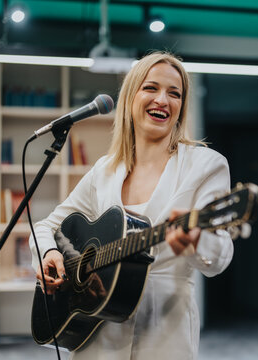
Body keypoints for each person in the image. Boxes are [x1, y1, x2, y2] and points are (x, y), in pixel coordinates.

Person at [29, 51, 234, 359]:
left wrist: (195, 242)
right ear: (130, 97)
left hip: (165, 335)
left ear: (181, 107)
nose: (162, 100)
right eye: (151, 88)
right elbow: (47, 226)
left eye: (174, 93)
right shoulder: (105, 169)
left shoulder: (205, 166)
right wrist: (50, 253)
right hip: (95, 335)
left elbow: (220, 255)